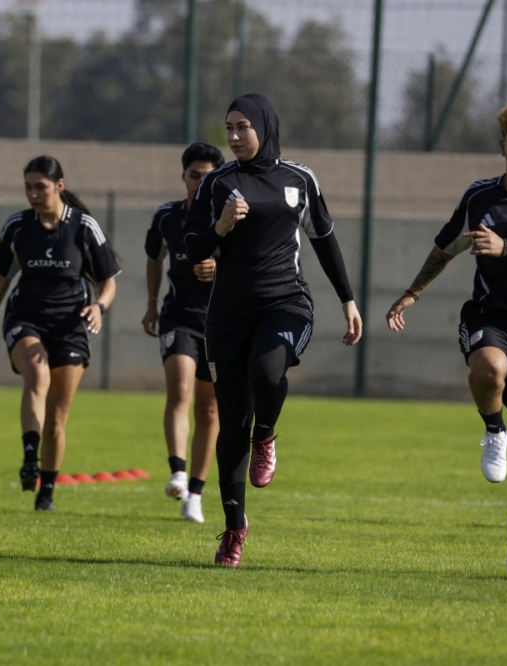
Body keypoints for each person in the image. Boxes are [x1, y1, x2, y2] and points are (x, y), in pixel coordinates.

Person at [385, 101, 507, 577]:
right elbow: (447, 246)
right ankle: (493, 428)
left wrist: (506, 246)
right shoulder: (479, 197)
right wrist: (411, 293)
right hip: (489, 316)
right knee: (487, 368)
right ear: (503, 146)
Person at [184, 94, 362, 567]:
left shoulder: (299, 179)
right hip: (227, 314)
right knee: (231, 422)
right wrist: (219, 229)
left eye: (244, 126)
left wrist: (347, 299)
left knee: (267, 371)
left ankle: (268, 434)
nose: (236, 136)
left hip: (288, 303)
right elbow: (189, 246)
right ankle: (234, 529)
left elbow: (324, 240)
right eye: (229, 128)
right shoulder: (217, 183)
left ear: (265, 126)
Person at [0, 155, 120, 513]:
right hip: (26, 318)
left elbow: (109, 282)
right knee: (36, 373)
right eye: (28, 187)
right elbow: (1, 279)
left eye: (40, 186)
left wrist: (99, 306)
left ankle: (47, 492)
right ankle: (29, 456)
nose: (33, 194)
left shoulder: (84, 227)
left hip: (70, 326)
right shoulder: (17, 227)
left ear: (60, 186)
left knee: (57, 415)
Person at [142, 142, 224, 524]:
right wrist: (150, 302)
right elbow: (153, 256)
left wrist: (217, 270)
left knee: (210, 408)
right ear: (183, 176)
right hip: (179, 317)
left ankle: (195, 494)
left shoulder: (230, 219)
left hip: (222, 321)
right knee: (180, 390)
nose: (200, 182)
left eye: (208, 176)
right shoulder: (167, 217)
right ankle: (177, 469)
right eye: (195, 175)